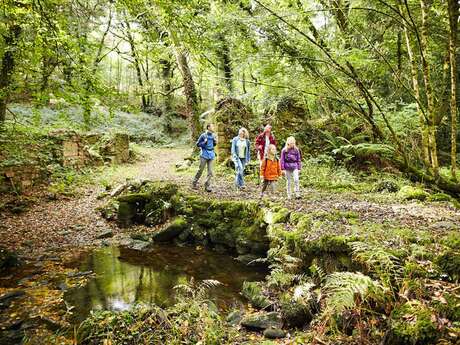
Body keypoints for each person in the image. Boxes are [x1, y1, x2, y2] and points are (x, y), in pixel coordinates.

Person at [192, 123, 217, 192]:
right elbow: (198, 144)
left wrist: (215, 142)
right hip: (204, 155)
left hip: (211, 154)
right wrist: (204, 142)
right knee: (201, 170)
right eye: (212, 126)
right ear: (208, 127)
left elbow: (213, 145)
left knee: (210, 171)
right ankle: (194, 183)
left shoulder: (214, 135)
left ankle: (207, 186)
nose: (213, 127)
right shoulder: (203, 135)